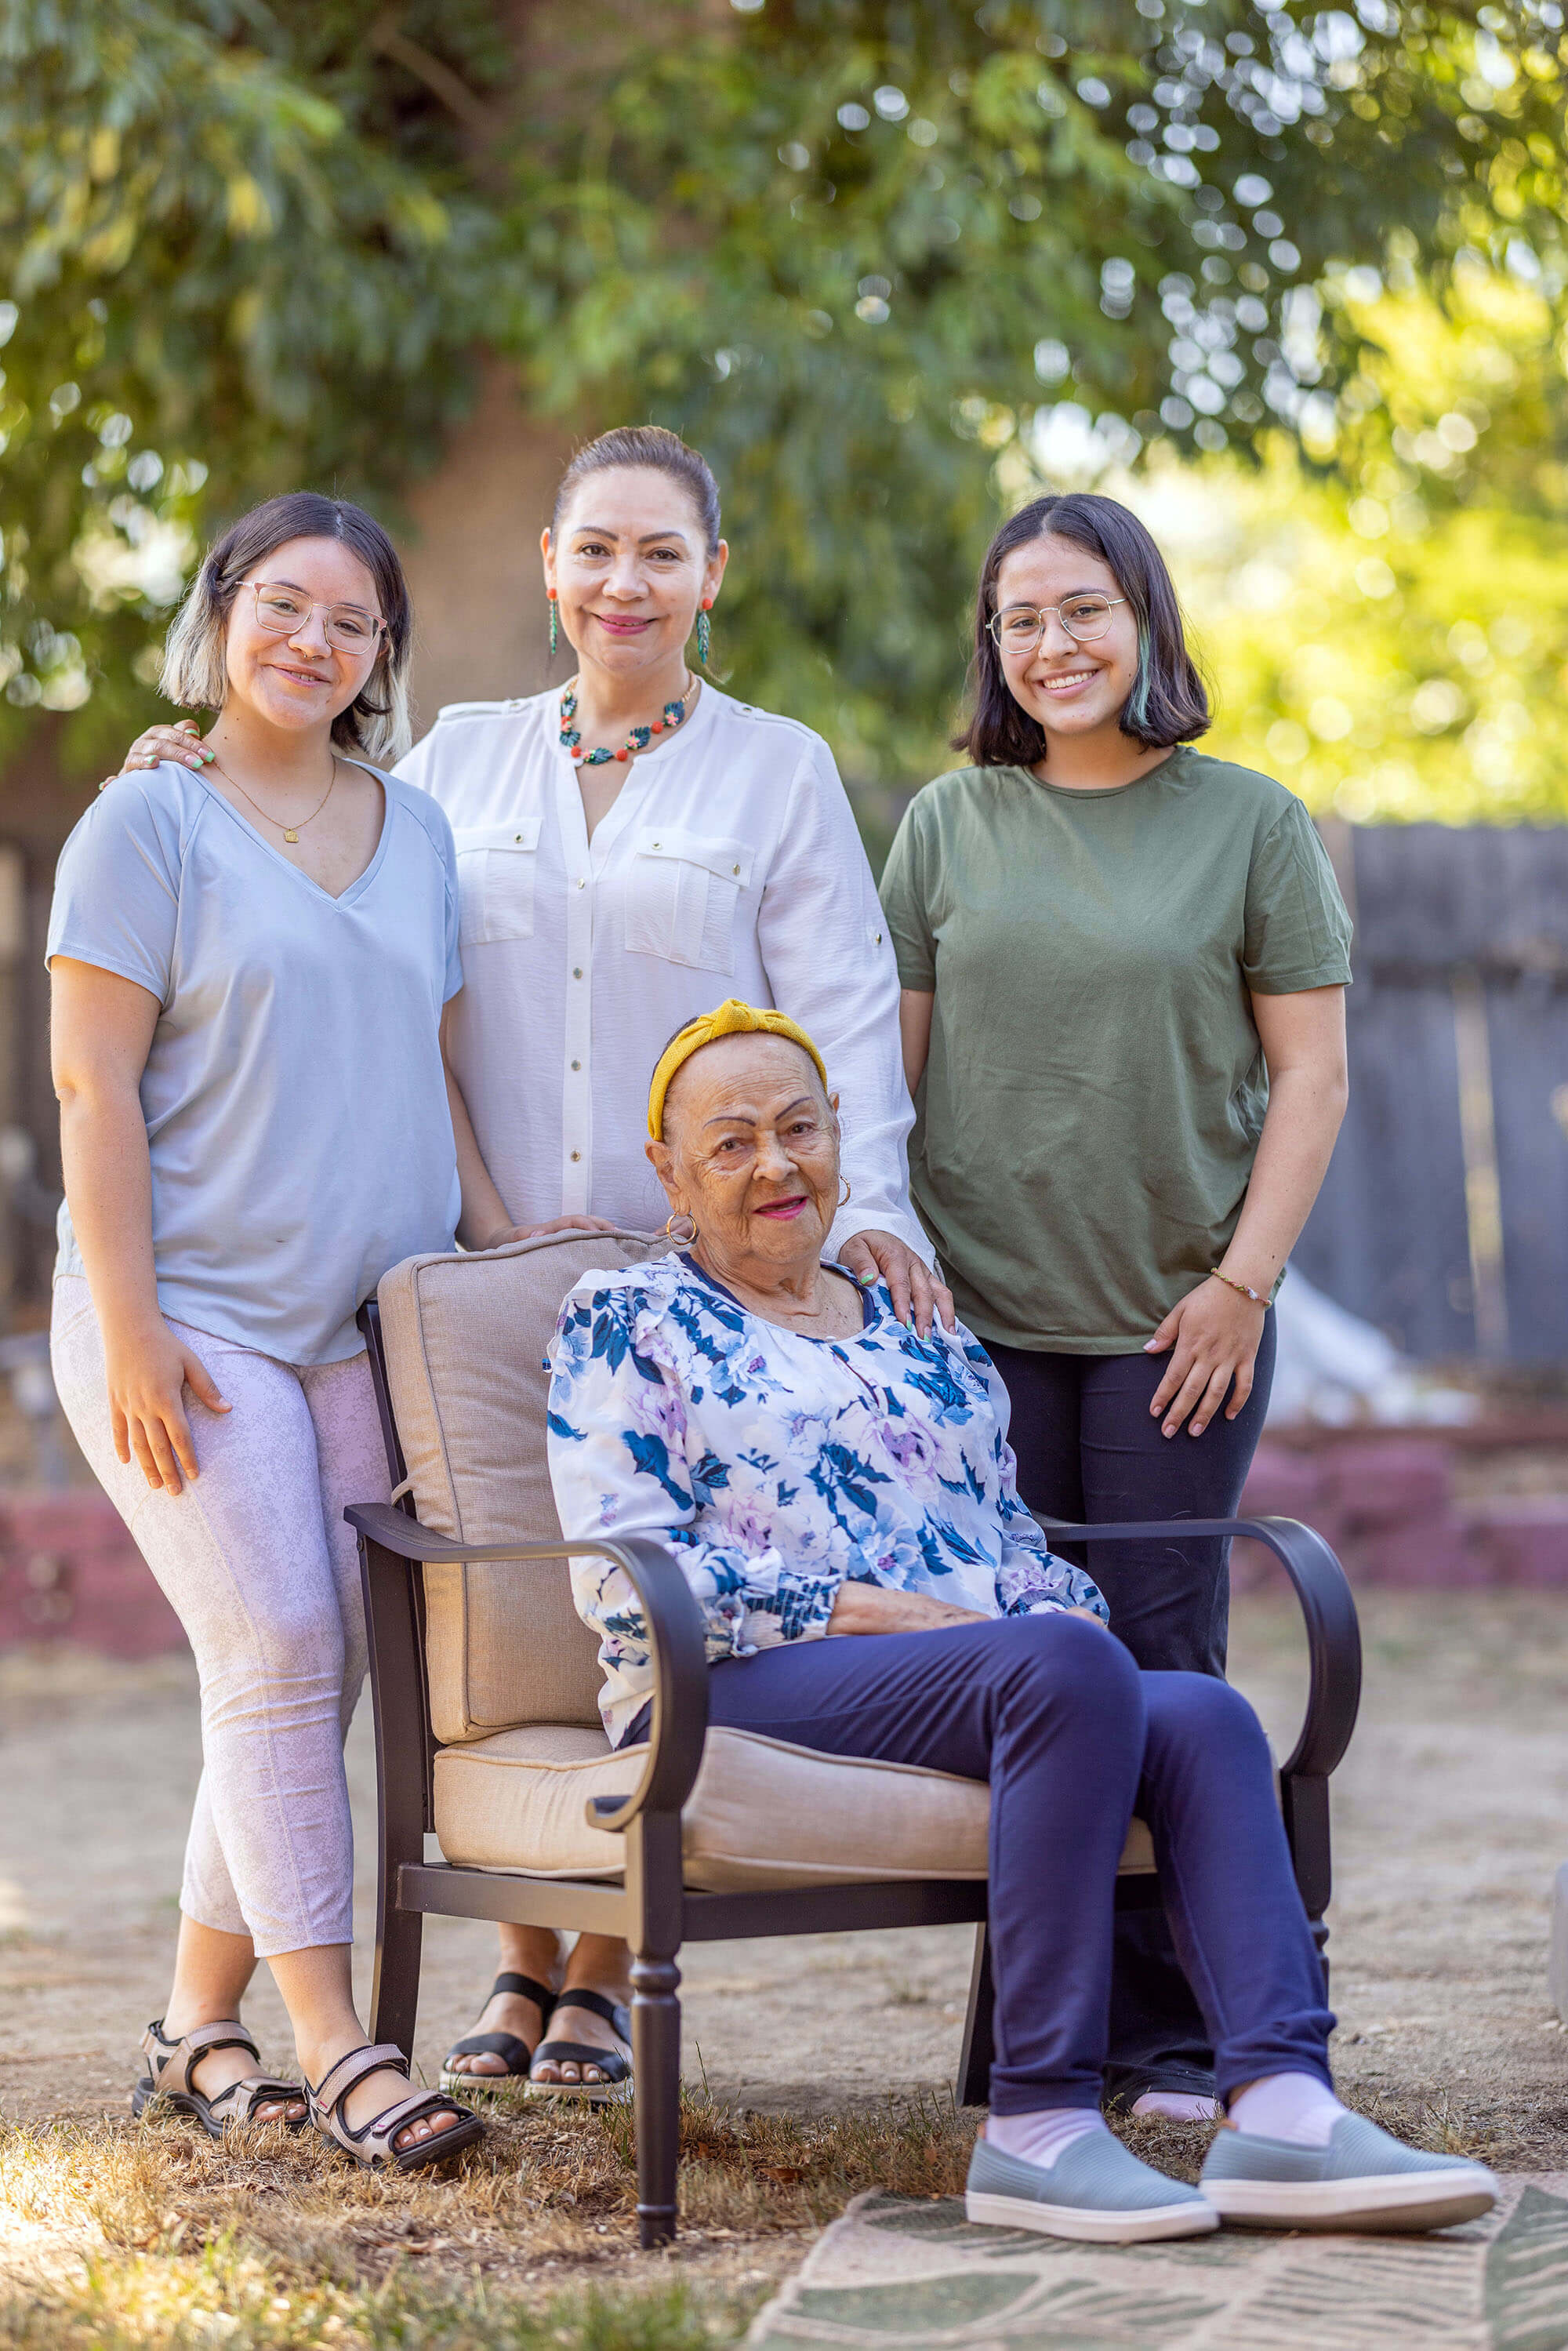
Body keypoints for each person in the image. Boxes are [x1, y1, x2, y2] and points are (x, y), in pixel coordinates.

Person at [112, 425, 944, 2106]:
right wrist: (183, 774)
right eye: (596, 549)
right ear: (550, 568)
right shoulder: (455, 765)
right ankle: (520, 1948)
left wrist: (881, 1216)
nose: (624, 581)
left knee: (643, 1599)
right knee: (494, 1626)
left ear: (713, 576)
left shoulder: (774, 769)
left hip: (678, 1277)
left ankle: (582, 1970)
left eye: (661, 552)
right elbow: (317, 884)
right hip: (471, 1271)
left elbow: (843, 1006)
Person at [543, 1005, 1495, 2242]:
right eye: (730, 1145)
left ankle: (1282, 2104)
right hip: (743, 1677)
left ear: (841, 1143)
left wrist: (1052, 1624)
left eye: (799, 1127)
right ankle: (1038, 2122)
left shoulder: (916, 1323)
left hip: (981, 1668)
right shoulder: (627, 1318)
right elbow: (625, 1570)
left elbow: (1011, 1541)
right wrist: (868, 1611)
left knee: (1198, 1711)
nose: (776, 1164)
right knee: (1057, 1663)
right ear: (669, 1173)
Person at [877, 492, 1352, 2118]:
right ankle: (1038, 2043)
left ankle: (1163, 2041)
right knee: (1030, 1668)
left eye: (1081, 609)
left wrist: (1240, 1283)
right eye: (1018, 618)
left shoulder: (1249, 822)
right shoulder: (946, 823)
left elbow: (1311, 1076)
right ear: (992, 645)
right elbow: (894, 1077)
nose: (1051, 643)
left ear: (1143, 620)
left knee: (1160, 1657)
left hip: (1178, 1324)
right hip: (975, 1326)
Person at [51, 495, 485, 2171]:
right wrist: (132, 1322)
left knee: (309, 1667)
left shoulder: (420, 828)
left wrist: (512, 1241)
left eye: (352, 621)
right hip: (188, 1322)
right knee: (284, 1647)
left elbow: (431, 1066)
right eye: (283, 605)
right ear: (225, 613)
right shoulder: (143, 823)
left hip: (362, 1329)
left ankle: (195, 2024)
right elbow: (88, 1081)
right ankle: (341, 2046)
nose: (314, 641)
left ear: (381, 653)